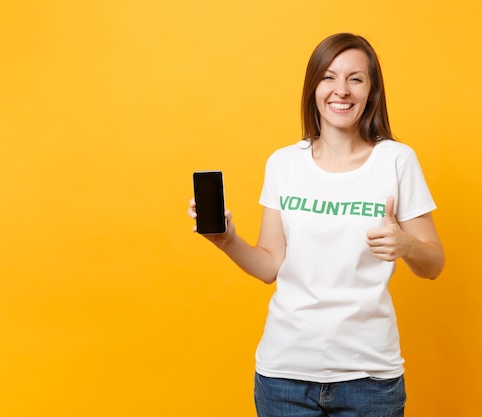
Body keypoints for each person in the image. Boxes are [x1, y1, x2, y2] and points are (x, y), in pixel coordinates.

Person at [188, 32, 444, 417]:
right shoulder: (283, 164)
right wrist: (227, 241)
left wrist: (405, 244)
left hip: (369, 381)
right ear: (313, 88)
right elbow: (270, 266)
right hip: (283, 378)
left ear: (371, 91)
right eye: (329, 77)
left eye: (355, 78)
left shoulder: (397, 160)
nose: (341, 90)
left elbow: (434, 265)